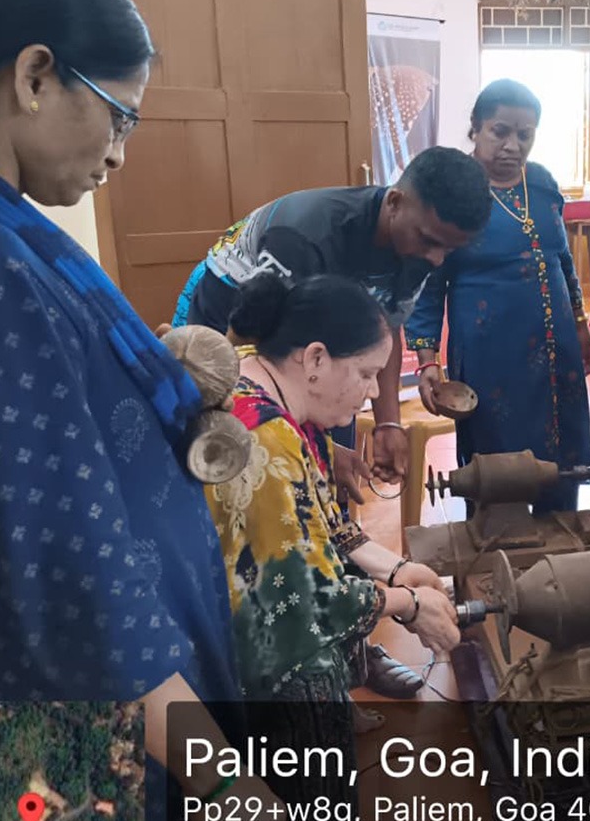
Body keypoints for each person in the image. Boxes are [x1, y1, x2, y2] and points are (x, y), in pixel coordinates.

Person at [0, 0, 291, 821]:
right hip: (90, 720)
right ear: (34, 76)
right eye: (121, 116)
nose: (120, 153)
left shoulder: (7, 230)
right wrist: (216, 773)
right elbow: (69, 568)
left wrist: (144, 360)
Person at [173, 148, 490, 698]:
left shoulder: (415, 251)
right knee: (262, 495)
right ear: (395, 204)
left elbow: (378, 339)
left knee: (314, 495)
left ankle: (350, 658)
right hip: (224, 330)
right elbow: (266, 345)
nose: (436, 260)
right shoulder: (304, 235)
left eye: (448, 250)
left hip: (285, 381)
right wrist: (407, 604)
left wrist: (385, 424)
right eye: (432, 242)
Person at [204, 272, 460, 821]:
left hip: (256, 645)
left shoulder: (269, 403)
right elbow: (301, 600)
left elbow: (325, 528)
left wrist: (405, 569)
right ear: (315, 359)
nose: (374, 394)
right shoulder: (262, 439)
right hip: (276, 670)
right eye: (369, 373)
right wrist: (404, 605)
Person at [406, 79, 590, 511]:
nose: (512, 145)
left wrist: (581, 326)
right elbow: (429, 284)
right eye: (500, 131)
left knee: (561, 462)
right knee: (495, 470)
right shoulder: (454, 192)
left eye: (524, 134)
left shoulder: (543, 183)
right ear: (475, 129)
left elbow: (563, 260)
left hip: (556, 352)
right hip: (491, 356)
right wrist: (426, 360)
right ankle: (493, 566)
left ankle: (561, 555)